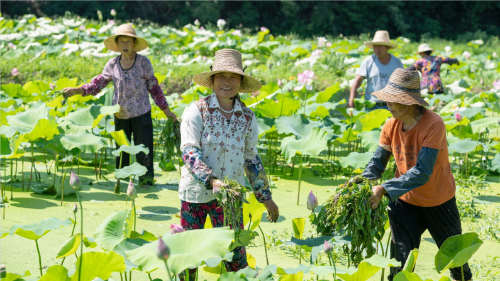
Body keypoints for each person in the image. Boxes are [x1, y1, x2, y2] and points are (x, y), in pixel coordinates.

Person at [359, 68, 472, 281]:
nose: (387, 105)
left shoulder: (434, 124)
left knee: (457, 264)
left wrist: (384, 188)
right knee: (399, 267)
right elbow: (376, 164)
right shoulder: (390, 125)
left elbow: (422, 172)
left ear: (409, 102)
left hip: (438, 201)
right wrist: (359, 183)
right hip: (405, 202)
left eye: (392, 100)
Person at [179, 49, 279, 279]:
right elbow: (189, 152)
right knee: (188, 258)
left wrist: (266, 197)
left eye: (233, 77)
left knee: (235, 256)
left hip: (231, 196)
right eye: (221, 76)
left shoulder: (247, 117)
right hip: (195, 194)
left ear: (241, 82)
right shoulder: (197, 110)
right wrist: (212, 181)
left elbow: (251, 159)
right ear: (212, 80)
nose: (227, 82)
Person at [63, 23, 177, 187]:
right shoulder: (112, 64)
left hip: (141, 115)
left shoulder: (144, 63)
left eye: (128, 41)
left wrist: (167, 111)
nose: (125, 45)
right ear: (117, 44)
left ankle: (146, 184)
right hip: (120, 116)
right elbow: (97, 85)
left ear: (134, 44)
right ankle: (122, 187)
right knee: (122, 156)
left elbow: (154, 88)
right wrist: (76, 90)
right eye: (122, 42)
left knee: (143, 155)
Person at [349, 30, 404, 110]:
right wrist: (351, 101)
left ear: (387, 47)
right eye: (375, 46)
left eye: (380, 46)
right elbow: (357, 81)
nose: (377, 49)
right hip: (371, 105)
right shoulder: (368, 62)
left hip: (392, 106)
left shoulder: (397, 63)